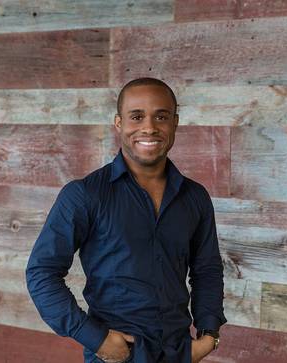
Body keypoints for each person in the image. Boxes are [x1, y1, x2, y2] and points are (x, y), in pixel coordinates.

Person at [26, 78, 226, 363]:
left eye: (161, 116)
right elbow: (41, 272)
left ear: (175, 123)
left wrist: (209, 335)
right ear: (119, 123)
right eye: (137, 116)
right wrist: (95, 337)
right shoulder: (84, 195)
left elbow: (207, 269)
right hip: (116, 356)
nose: (149, 127)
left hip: (179, 353)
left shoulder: (195, 197)